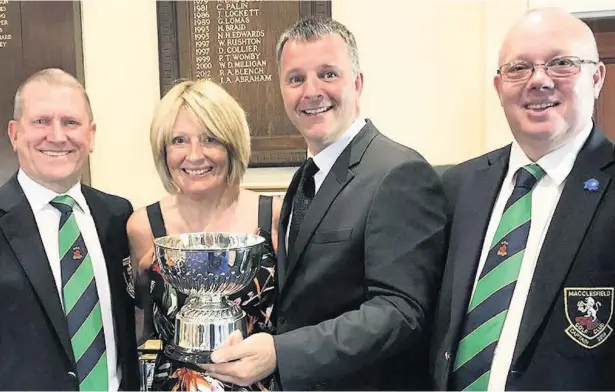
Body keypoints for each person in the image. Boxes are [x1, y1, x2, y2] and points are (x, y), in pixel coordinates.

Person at [202, 17, 448, 390]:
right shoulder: (305, 177)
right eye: (296, 78)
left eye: (328, 74)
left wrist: (282, 354)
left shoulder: (399, 173)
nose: (311, 91)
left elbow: (399, 312)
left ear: (358, 83)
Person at [430, 8, 614, 391]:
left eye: (562, 63)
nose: (539, 81)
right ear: (499, 88)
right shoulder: (457, 187)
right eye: (518, 68)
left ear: (596, 78)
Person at [127, 78, 281, 391]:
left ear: (231, 145)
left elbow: (303, 320)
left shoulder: (275, 216)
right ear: (164, 151)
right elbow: (138, 330)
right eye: (179, 140)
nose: (194, 155)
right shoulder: (142, 227)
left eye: (210, 139)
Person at [0, 68, 139, 390]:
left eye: (71, 123)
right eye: (41, 121)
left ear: (90, 136)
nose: (58, 136)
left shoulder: (118, 215)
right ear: (14, 133)